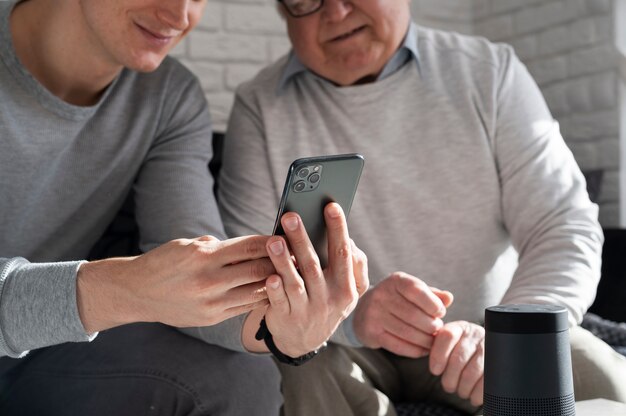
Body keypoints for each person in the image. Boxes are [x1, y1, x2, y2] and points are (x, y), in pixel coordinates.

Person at [217, 0, 626, 414]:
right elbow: (248, 287)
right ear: (283, 11)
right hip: (338, 341)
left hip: (490, 334)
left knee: (604, 379)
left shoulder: (489, 71)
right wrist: (352, 317)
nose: (336, 13)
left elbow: (563, 225)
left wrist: (510, 336)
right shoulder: (259, 105)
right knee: (293, 367)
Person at [0, 0, 367, 414]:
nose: (179, 17)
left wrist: (281, 329)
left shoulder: (168, 98)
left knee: (244, 378)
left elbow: (194, 273)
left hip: (44, 356)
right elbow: (138, 289)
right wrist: (123, 288)